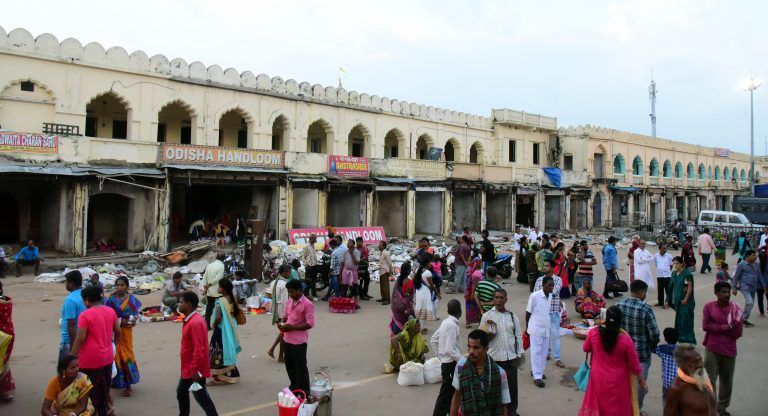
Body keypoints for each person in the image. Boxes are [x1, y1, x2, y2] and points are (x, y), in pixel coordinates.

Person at [578, 306, 647, 416]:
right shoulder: (625, 339)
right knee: (617, 408)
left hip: (598, 378)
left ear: (605, 318)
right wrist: (642, 381)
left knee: (599, 405)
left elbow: (586, 348)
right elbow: (635, 365)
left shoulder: (594, 332)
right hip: (619, 382)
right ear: (620, 320)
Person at [71, 286, 121, 416]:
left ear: (87, 300)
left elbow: (80, 339)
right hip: (107, 357)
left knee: (90, 395)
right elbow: (118, 331)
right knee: (103, 392)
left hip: (90, 360)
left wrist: (71, 355)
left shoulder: (85, 315)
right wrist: (114, 343)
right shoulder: (110, 311)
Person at [616, 280, 660, 413]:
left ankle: (622, 408)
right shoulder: (646, 309)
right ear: (641, 292)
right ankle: (636, 409)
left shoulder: (619, 305)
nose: (645, 294)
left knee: (623, 383)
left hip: (622, 353)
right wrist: (652, 345)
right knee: (640, 385)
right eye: (645, 292)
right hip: (641, 354)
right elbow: (655, 334)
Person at [702, 281, 743, 416]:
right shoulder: (709, 307)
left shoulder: (736, 309)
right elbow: (706, 326)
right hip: (712, 348)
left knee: (727, 381)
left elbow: (738, 332)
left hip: (729, 350)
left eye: (728, 292)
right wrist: (726, 327)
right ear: (716, 293)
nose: (726, 295)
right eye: (723, 292)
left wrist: (717, 328)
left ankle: (722, 407)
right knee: (710, 379)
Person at [480, 288, 523, 415]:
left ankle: (512, 411)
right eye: (496, 298)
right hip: (494, 358)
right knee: (494, 388)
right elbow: (481, 337)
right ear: (493, 299)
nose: (498, 300)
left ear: (506, 299)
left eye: (501, 298)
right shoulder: (487, 316)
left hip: (510, 358)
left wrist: (519, 353)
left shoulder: (512, 316)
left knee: (512, 388)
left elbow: (518, 335)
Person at [449, 330, 511, 416]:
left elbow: (504, 405)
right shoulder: (461, 366)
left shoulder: (500, 373)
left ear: (486, 348)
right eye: (469, 347)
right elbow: (456, 395)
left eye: (476, 348)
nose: (471, 351)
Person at [176, 291, 218, 416]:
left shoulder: (194, 323)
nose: (179, 304)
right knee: (182, 392)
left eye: (181, 302)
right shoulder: (192, 319)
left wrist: (194, 370)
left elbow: (199, 349)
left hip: (193, 369)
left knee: (201, 396)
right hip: (189, 367)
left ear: (189, 304)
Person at [103, 276, 142, 396]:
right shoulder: (110, 299)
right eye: (117, 285)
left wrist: (135, 320)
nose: (119, 287)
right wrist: (120, 321)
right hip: (114, 331)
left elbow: (137, 314)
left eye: (122, 285)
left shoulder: (132, 299)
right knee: (115, 356)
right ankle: (117, 381)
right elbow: (107, 316)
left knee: (126, 356)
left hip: (127, 332)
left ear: (127, 286)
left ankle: (128, 384)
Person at [278, 279, 315, 395]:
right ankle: (294, 386)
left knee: (300, 368)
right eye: (289, 292)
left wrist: (291, 328)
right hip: (287, 339)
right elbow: (285, 316)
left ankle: (305, 391)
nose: (290, 294)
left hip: (299, 342)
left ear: (300, 290)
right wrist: (282, 322)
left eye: (292, 292)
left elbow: (310, 323)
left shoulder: (308, 304)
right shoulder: (290, 301)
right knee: (290, 366)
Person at [663, 344, 717, 416]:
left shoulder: (705, 381)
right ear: (682, 365)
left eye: (700, 360)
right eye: (694, 362)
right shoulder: (677, 388)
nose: (700, 365)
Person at [431, 300, 462, 416]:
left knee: (450, 392)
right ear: (460, 312)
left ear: (448, 311)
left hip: (447, 363)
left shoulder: (445, 322)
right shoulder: (452, 325)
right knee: (446, 394)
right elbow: (450, 349)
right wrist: (462, 360)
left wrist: (440, 356)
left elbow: (433, 339)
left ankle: (449, 412)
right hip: (451, 364)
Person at [208, 279, 241, 385]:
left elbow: (218, 317)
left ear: (224, 289)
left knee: (216, 350)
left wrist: (214, 324)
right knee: (227, 349)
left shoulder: (220, 301)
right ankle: (231, 375)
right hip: (231, 326)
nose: (218, 288)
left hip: (221, 328)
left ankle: (217, 378)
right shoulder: (232, 298)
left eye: (220, 287)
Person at [534, 259, 565, 368]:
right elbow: (535, 294)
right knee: (544, 335)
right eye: (544, 265)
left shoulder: (558, 280)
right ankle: (547, 353)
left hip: (553, 312)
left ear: (552, 268)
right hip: (541, 312)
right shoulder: (539, 279)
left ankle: (557, 358)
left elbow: (554, 291)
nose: (544, 267)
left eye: (547, 265)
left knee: (555, 335)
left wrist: (543, 291)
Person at [526, 275, 553, 388]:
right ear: (543, 285)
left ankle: (538, 371)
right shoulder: (535, 296)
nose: (550, 288)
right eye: (548, 285)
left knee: (543, 352)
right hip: (536, 328)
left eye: (552, 285)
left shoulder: (550, 296)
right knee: (536, 352)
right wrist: (527, 328)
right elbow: (528, 313)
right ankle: (537, 377)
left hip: (546, 329)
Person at [670, 256, 696, 344]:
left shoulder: (687, 274)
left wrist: (686, 298)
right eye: (674, 263)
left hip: (686, 302)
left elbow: (689, 287)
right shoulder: (674, 273)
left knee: (686, 319)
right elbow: (671, 287)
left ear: (682, 264)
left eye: (677, 263)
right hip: (677, 301)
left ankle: (688, 339)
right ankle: (680, 337)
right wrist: (668, 300)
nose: (675, 265)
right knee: (679, 319)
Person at [60, 271, 87, 359]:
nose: (66, 284)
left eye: (66, 282)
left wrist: (73, 347)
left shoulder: (70, 300)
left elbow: (71, 325)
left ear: (71, 284)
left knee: (65, 369)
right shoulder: (85, 295)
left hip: (69, 340)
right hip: (84, 337)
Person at [267, 264, 289, 362]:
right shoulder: (284, 284)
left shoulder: (274, 282)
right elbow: (285, 301)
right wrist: (286, 315)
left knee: (282, 333)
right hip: (282, 312)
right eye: (289, 272)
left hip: (276, 309)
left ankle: (272, 349)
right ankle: (280, 356)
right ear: (284, 273)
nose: (289, 274)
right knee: (284, 334)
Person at [731, 249, 759, 327]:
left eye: (755, 255)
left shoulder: (756, 264)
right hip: (745, 286)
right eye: (753, 255)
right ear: (747, 256)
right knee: (749, 302)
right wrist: (734, 288)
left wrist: (764, 286)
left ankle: (744, 319)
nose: (755, 257)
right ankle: (741, 320)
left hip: (753, 287)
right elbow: (736, 277)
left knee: (751, 304)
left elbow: (759, 276)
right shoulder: (741, 265)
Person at [654, 328, 679, 409]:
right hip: (679, 384)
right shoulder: (682, 350)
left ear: (665, 338)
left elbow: (653, 349)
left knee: (666, 400)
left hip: (667, 383)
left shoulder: (662, 349)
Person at [390, 262, 415, 336]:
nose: (411, 270)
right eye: (410, 269)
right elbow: (407, 297)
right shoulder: (409, 282)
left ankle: (396, 334)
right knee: (408, 321)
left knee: (397, 320)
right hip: (404, 307)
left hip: (396, 305)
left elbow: (396, 293)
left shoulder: (398, 279)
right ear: (408, 271)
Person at [202, 253, 226, 330]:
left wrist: (206, 286)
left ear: (216, 257)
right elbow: (218, 278)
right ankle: (220, 324)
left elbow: (204, 276)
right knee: (221, 308)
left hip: (209, 290)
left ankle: (207, 325)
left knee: (209, 309)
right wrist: (209, 284)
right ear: (223, 259)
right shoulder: (221, 266)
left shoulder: (210, 265)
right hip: (217, 290)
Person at [0, 281, 14, 401]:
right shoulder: (6, 301)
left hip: (1, 336)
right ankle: (6, 391)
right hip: (8, 334)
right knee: (4, 362)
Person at [414, 260, 437, 325]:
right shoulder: (428, 273)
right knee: (424, 309)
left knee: (420, 308)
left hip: (419, 291)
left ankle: (419, 327)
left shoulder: (417, 270)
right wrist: (436, 293)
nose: (430, 263)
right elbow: (432, 285)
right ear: (427, 264)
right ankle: (420, 329)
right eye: (429, 262)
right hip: (425, 292)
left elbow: (414, 280)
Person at [300, 234, 319, 299]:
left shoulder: (313, 245)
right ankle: (306, 294)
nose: (316, 240)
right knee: (308, 281)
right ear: (311, 239)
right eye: (315, 239)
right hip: (309, 266)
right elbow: (302, 256)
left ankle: (314, 293)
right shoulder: (306, 246)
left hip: (314, 265)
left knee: (314, 280)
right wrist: (306, 264)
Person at [377, 241, 393, 305]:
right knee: (382, 286)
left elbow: (389, 263)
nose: (378, 246)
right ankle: (383, 298)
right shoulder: (381, 253)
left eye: (380, 245)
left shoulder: (386, 253)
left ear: (383, 246)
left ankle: (387, 299)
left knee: (385, 286)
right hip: (381, 271)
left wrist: (390, 271)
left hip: (385, 271)